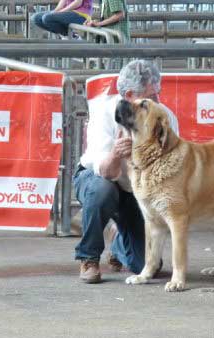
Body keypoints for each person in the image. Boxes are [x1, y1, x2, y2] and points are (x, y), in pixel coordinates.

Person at [74, 60, 179, 283]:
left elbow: (169, 171)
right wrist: (116, 154)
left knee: (147, 266)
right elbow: (105, 171)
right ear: (130, 95)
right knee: (102, 190)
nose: (158, 100)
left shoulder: (165, 116)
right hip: (101, 179)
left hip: (137, 192)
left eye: (158, 93)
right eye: (151, 96)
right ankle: (89, 257)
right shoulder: (105, 113)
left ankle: (118, 238)